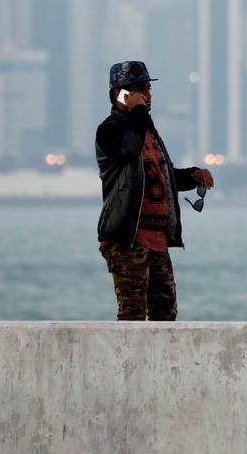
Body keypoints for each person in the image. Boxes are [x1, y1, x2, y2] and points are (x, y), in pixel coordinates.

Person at [95, 60, 214, 321]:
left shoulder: (147, 131)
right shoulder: (109, 131)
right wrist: (137, 113)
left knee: (165, 313)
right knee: (133, 312)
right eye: (138, 90)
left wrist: (193, 175)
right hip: (128, 238)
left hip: (157, 239)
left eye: (148, 89)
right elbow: (129, 149)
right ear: (119, 93)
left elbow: (162, 177)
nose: (146, 96)